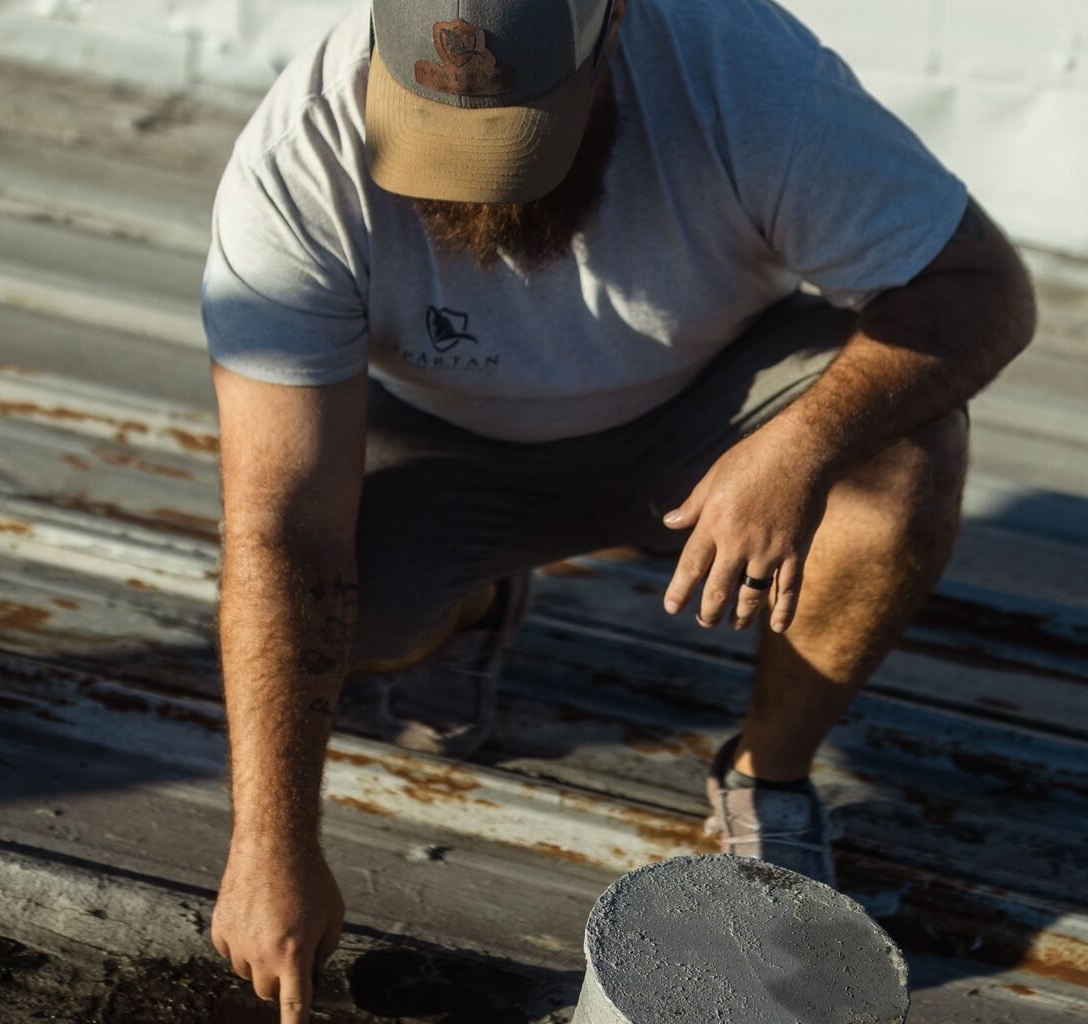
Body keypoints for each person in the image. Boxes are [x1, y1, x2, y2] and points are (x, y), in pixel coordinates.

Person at [200, 0, 1035, 1018]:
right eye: (445, 137)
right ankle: (469, 604)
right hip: (448, 441)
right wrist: (271, 848)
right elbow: (284, 528)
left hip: (710, 405)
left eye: (520, 133)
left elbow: (980, 290)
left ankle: (766, 775)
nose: (485, 180)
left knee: (902, 460)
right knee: (346, 610)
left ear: (615, 29)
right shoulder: (299, 156)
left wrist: (799, 448)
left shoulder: (742, 69)